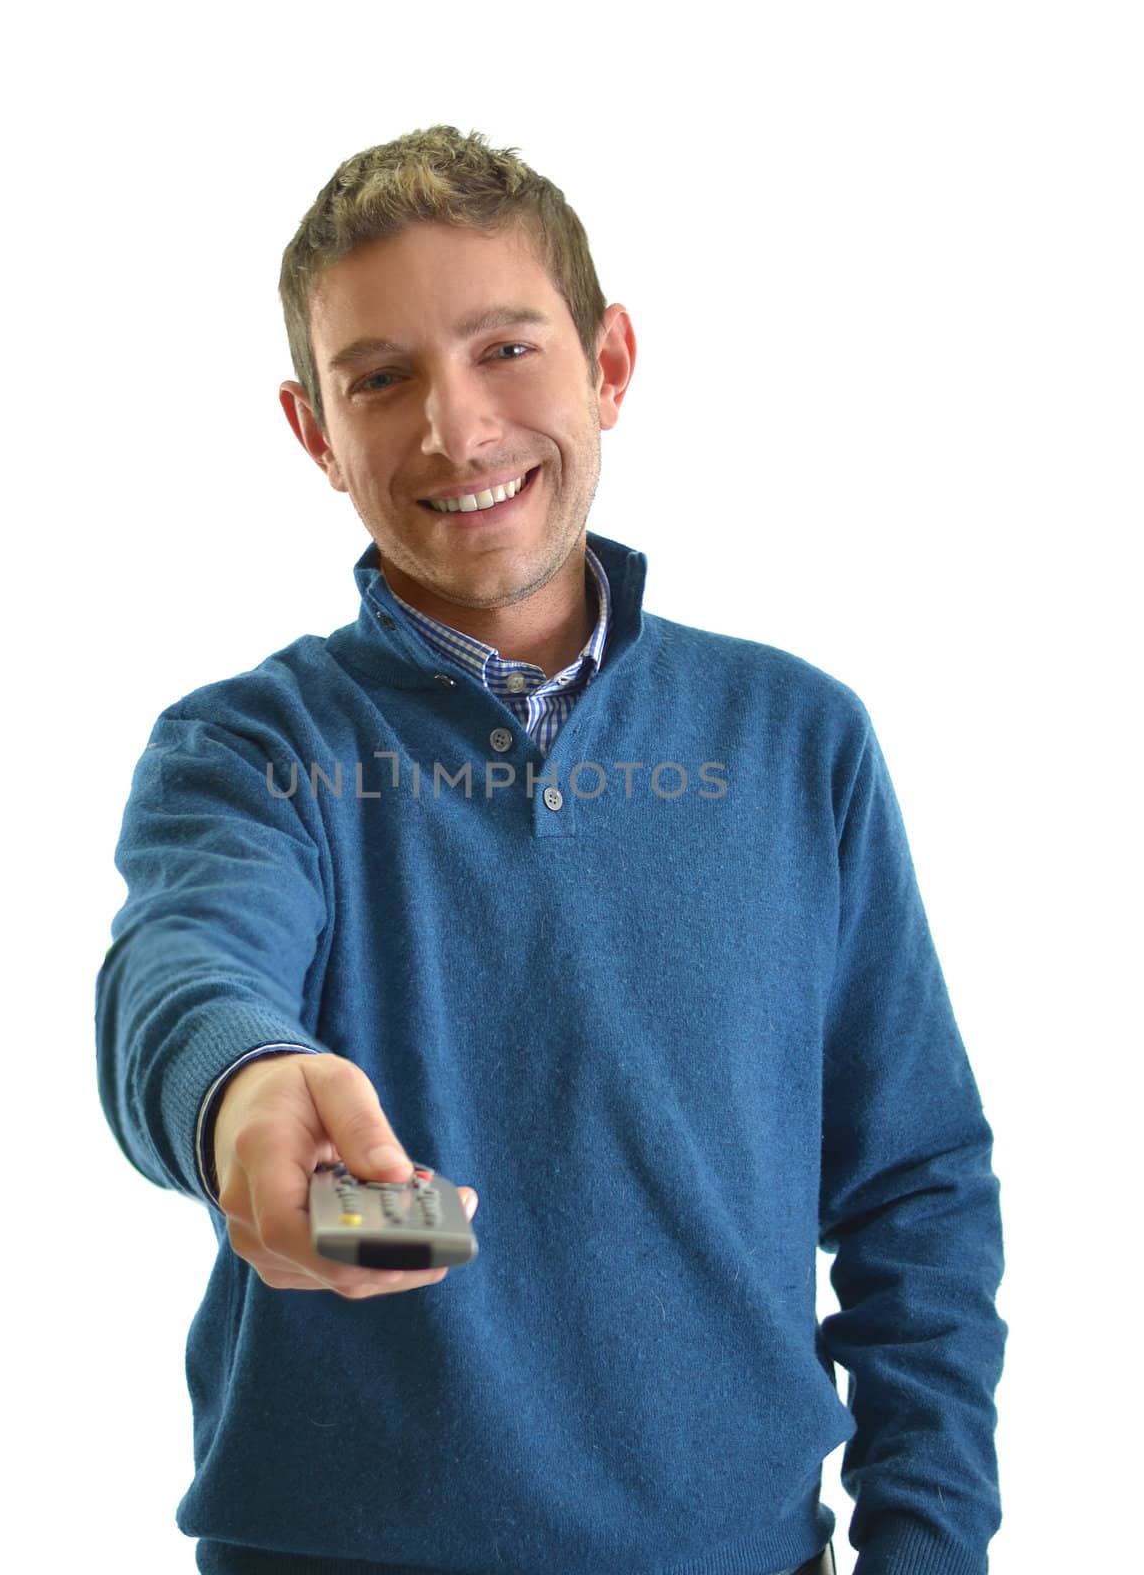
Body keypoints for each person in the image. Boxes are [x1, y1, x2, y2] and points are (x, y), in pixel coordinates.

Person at [96, 125, 1006, 1575]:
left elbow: (915, 1187)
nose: (454, 429)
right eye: (379, 379)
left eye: (505, 349)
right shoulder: (248, 749)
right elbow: (185, 965)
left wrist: (927, 1545)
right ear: (312, 432)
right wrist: (241, 1089)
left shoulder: (795, 739)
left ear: (611, 363)